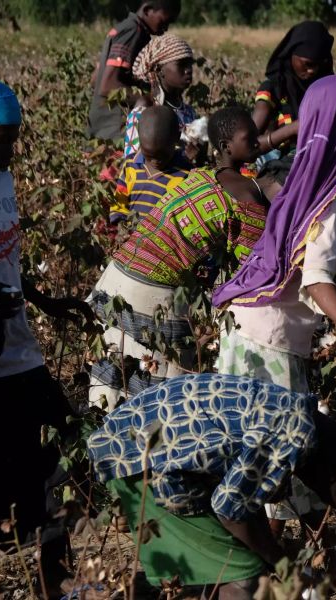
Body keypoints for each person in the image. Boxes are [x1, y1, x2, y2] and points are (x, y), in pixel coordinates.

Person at [211, 76, 336, 538]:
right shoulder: (331, 200)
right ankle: (282, 562)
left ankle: (276, 552)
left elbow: (304, 252)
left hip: (246, 324)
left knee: (253, 445)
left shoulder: (301, 180)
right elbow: (315, 281)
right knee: (283, 445)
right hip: (272, 340)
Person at [87, 372, 336, 597]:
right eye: (319, 490)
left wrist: (275, 557)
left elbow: (244, 500)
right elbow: (230, 510)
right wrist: (280, 563)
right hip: (141, 464)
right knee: (243, 576)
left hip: (134, 445)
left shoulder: (295, 410)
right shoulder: (293, 435)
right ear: (327, 473)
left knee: (237, 560)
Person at [88, 107, 269, 409]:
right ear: (226, 146)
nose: (257, 141)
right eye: (249, 136)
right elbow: (249, 273)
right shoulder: (248, 200)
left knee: (109, 387)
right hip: (154, 293)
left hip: (117, 275)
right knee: (157, 401)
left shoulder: (198, 176)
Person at [0, 80, 95, 597]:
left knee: (63, 455)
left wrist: (44, 301)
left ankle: (57, 580)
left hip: (19, 350)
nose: (10, 149)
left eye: (13, 138)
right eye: (1, 137)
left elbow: (6, 262)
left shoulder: (4, 179)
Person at [88, 0, 181, 142]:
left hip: (99, 126)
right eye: (164, 21)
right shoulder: (133, 32)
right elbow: (107, 85)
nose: (166, 28)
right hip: (114, 131)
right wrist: (149, 101)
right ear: (147, 10)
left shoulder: (122, 29)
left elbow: (95, 79)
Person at [252, 20, 334, 160]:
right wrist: (293, 129)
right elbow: (248, 143)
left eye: (319, 65)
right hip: (276, 161)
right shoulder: (273, 89)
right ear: (291, 55)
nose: (312, 70)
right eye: (307, 64)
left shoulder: (329, 90)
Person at [111, 105, 191, 223]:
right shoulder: (130, 165)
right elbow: (119, 205)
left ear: (177, 138)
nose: (155, 161)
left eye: (162, 155)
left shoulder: (185, 174)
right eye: (149, 155)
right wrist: (121, 227)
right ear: (140, 138)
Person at [123, 33, 197, 159]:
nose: (188, 70)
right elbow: (132, 163)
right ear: (159, 69)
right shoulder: (145, 110)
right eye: (181, 65)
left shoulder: (189, 112)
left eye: (190, 64)